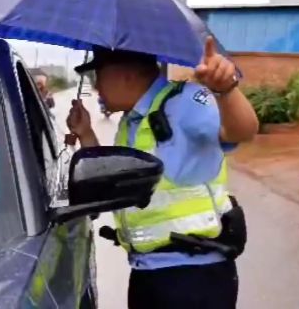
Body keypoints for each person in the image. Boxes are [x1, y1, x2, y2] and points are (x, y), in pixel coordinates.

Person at [66, 36, 258, 309]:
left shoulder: (185, 102)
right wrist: (85, 133)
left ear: (126, 76)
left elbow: (243, 131)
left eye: (99, 77)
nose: (97, 88)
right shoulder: (131, 121)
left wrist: (227, 91)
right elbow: (112, 182)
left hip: (193, 275)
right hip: (148, 272)